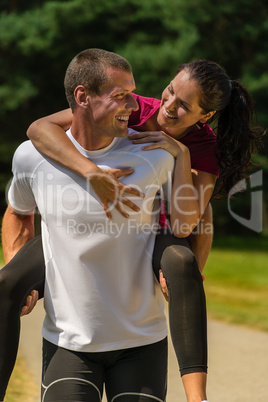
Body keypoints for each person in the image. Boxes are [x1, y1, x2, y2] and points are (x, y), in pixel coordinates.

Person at [0, 56, 263, 402]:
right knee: (7, 281)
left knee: (185, 260)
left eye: (183, 106)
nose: (168, 106)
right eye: (170, 91)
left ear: (206, 116)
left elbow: (189, 223)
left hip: (164, 230)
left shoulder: (202, 148)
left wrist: (180, 154)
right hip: (104, 223)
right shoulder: (134, 109)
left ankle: (197, 396)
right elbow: (39, 128)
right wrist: (90, 171)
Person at [2, 48, 179, 401]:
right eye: (120, 95)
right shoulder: (32, 157)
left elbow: (185, 222)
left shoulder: (155, 157)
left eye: (133, 92)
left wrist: (177, 268)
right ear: (82, 96)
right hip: (68, 342)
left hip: (142, 340)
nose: (134, 104)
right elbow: (18, 212)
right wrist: (22, 273)